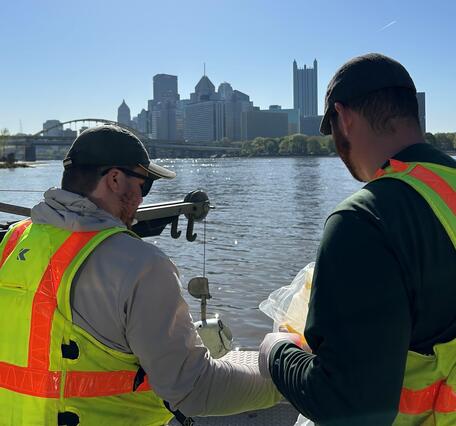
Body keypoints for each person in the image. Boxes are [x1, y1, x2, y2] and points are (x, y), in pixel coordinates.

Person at [0, 125, 280, 426]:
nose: (143, 199)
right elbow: (195, 388)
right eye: (144, 185)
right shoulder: (139, 264)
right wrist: (289, 370)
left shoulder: (13, 242)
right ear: (116, 179)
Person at [259, 53, 456, 425]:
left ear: (344, 118)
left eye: (331, 128)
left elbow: (350, 409)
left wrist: (276, 352)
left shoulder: (364, 220)